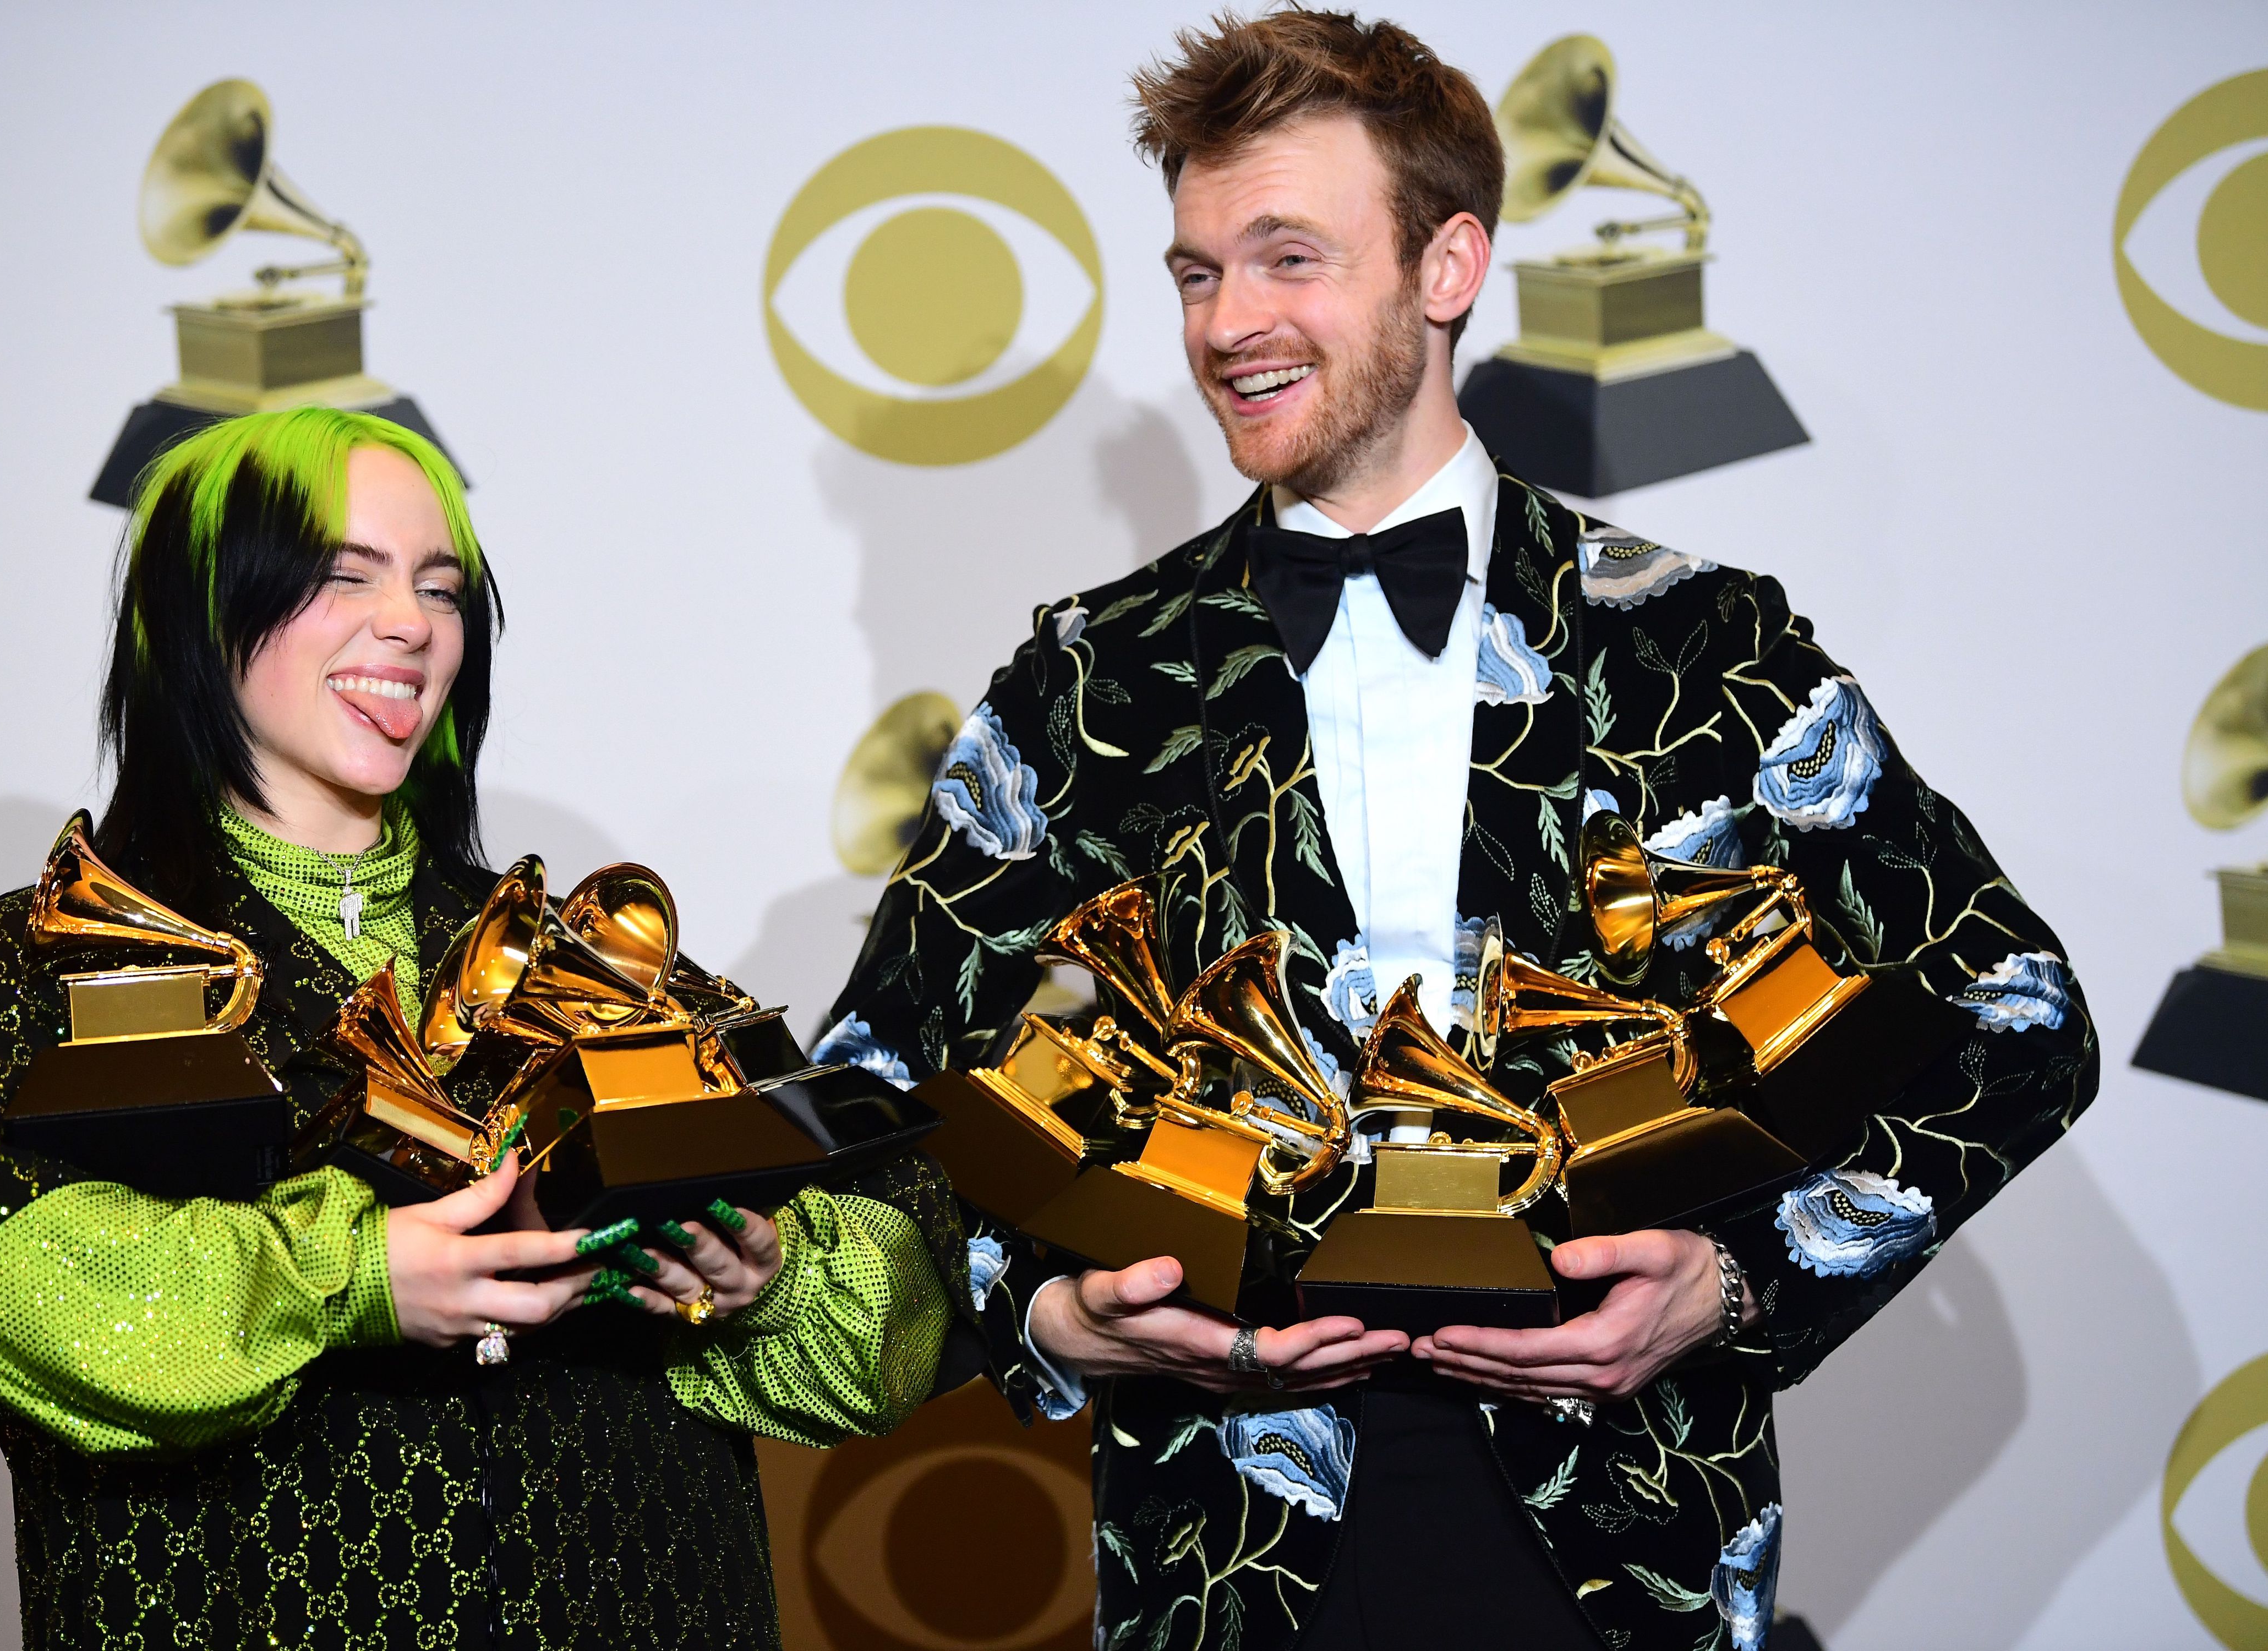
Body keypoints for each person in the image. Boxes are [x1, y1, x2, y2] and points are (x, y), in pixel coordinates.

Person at [817, 13, 2095, 1650]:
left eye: (1287, 257)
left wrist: (1734, 1281)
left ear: (1446, 266)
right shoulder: (1088, 683)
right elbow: (880, 1092)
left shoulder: (1698, 647)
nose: (1228, 323)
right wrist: (1053, 1313)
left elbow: (2017, 1017)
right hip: (1220, 1547)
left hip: (1622, 1535)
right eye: (1198, 273)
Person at [0, 407, 966, 1650]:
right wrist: (355, 1277)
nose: (414, 624)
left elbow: (900, 1249)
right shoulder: (50, 960)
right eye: (341, 576)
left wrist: (768, 1277)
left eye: (441, 587)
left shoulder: (592, 958)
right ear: (203, 618)